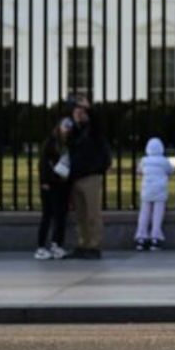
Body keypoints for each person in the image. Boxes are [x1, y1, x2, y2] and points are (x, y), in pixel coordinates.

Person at [67, 96, 111, 259]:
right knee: (80, 215)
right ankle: (83, 243)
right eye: (77, 111)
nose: (80, 113)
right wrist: (75, 122)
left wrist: (90, 110)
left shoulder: (94, 131)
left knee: (92, 213)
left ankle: (94, 245)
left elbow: (98, 123)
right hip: (76, 176)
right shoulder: (75, 130)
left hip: (91, 176)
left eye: (83, 111)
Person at [35, 118, 73, 260]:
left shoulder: (69, 143)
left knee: (61, 216)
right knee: (48, 215)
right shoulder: (50, 142)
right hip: (51, 184)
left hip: (63, 184)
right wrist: (44, 181)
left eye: (69, 127)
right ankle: (41, 247)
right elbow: (43, 163)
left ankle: (56, 245)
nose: (67, 129)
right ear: (59, 127)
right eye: (65, 126)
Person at [134, 137, 175, 251]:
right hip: (160, 192)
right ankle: (155, 238)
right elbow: (171, 170)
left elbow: (139, 171)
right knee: (157, 215)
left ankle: (141, 237)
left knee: (144, 214)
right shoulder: (164, 161)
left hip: (147, 191)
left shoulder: (144, 160)